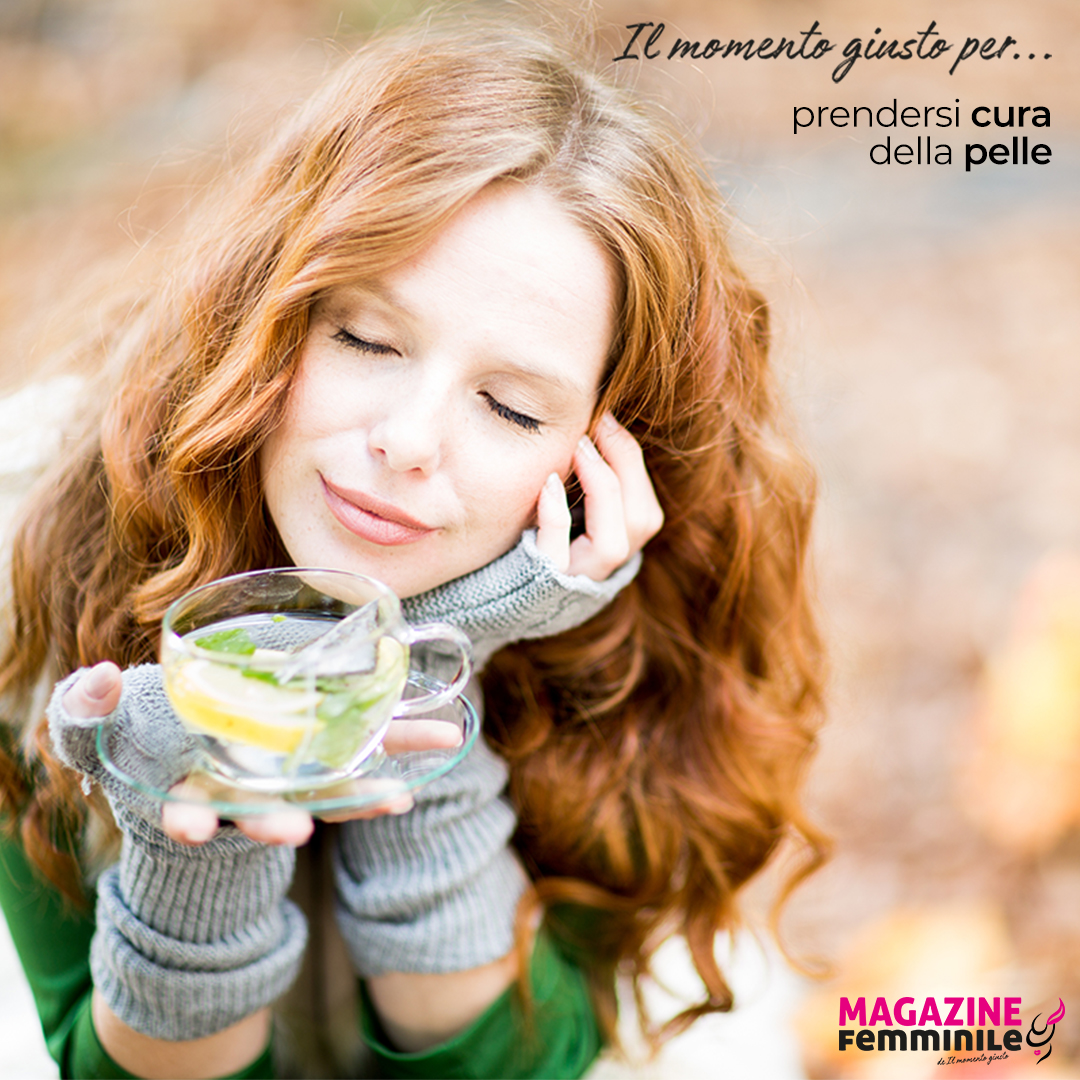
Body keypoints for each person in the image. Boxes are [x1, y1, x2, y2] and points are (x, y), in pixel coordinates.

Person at [0, 13, 825, 1080]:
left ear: (609, 459)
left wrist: (434, 662)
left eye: (513, 409)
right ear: (265, 311)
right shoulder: (32, 554)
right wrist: (189, 851)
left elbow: (528, 1067)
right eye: (366, 339)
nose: (408, 441)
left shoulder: (627, 645)